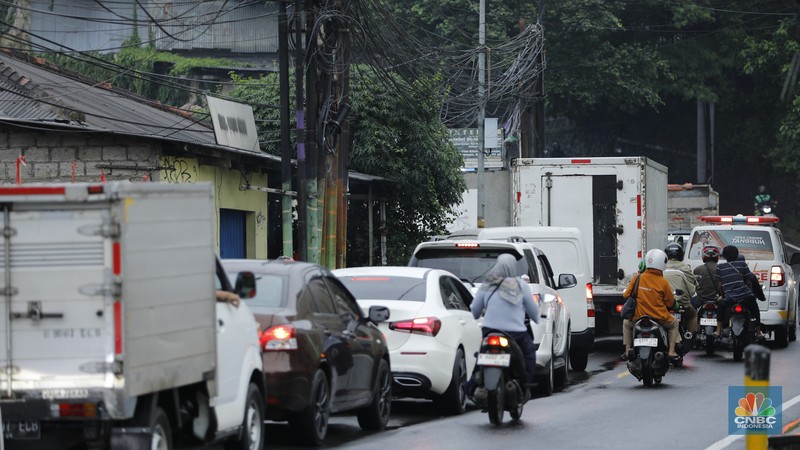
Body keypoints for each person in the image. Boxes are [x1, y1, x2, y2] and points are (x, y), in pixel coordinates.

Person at [468, 253, 540, 396]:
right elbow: (533, 311)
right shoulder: (521, 285)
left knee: (481, 357)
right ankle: (526, 385)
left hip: (489, 331)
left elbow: (475, 310)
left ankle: (470, 387)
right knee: (529, 354)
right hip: (516, 333)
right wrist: (537, 318)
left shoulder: (488, 283)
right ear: (514, 268)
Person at [621, 249, 681, 362]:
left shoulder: (637, 278)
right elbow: (670, 302)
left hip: (638, 317)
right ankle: (672, 351)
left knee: (626, 323)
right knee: (674, 323)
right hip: (660, 318)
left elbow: (626, 295)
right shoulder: (663, 282)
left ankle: (627, 350)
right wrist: (676, 306)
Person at [715, 245, 764, 338]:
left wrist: (722, 295)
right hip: (745, 296)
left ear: (724, 256)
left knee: (720, 306)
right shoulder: (743, 265)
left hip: (730, 297)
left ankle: (718, 330)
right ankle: (758, 331)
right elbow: (749, 281)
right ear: (737, 255)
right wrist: (749, 292)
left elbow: (719, 285)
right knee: (755, 310)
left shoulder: (720, 267)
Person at [662, 243, 698, 335]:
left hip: (663, 303)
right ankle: (690, 335)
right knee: (693, 315)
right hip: (682, 303)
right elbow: (692, 286)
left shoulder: (661, 267)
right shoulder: (685, 268)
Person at [693, 245, 722, 310]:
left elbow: (694, 286)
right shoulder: (722, 269)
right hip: (717, 299)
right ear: (717, 256)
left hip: (701, 299)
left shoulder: (697, 269)